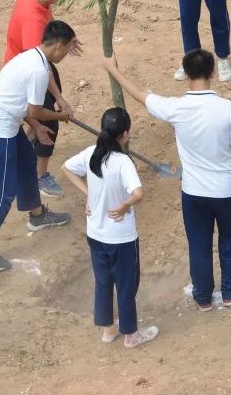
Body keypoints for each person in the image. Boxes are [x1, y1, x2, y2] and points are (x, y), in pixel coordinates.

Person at [103, 49, 231, 311]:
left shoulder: (176, 107)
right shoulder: (228, 109)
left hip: (194, 191)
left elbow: (140, 95)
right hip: (229, 189)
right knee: (230, 240)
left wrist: (113, 69)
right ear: (213, 72)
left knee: (199, 243)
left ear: (185, 75)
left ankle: (203, 296)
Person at [0, 20, 76, 271]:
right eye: (68, 49)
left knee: (27, 161)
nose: (66, 54)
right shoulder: (36, 70)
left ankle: (37, 214)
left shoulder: (34, 57)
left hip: (7, 120)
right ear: (58, 46)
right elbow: (36, 110)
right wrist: (59, 117)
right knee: (2, 191)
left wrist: (38, 126)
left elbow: (21, 102)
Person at [61, 108, 159, 348]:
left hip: (96, 234)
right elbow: (138, 193)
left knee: (103, 282)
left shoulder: (90, 153)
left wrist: (89, 195)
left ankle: (108, 330)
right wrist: (125, 205)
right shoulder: (122, 162)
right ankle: (130, 334)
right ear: (125, 134)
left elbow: (65, 168)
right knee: (126, 285)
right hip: (121, 237)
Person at [2, 0, 80, 199]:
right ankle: (40, 175)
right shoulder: (32, 20)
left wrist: (64, 37)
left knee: (39, 118)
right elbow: (38, 70)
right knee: (48, 121)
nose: (60, 0)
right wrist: (59, 99)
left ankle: (24, 147)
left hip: (36, 62)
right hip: (25, 71)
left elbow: (48, 25)